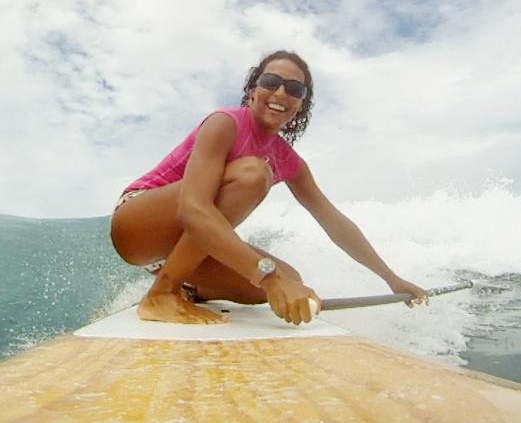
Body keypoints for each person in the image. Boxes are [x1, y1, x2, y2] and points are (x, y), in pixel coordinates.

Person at [111, 50, 429, 326]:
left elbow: (335, 223)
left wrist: (391, 278)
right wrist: (268, 277)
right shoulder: (225, 123)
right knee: (252, 175)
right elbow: (192, 210)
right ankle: (161, 294)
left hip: (169, 251)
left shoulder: (290, 162)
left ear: (300, 106)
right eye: (270, 82)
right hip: (138, 225)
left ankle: (187, 289)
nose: (280, 92)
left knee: (291, 279)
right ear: (253, 91)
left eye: (294, 89)